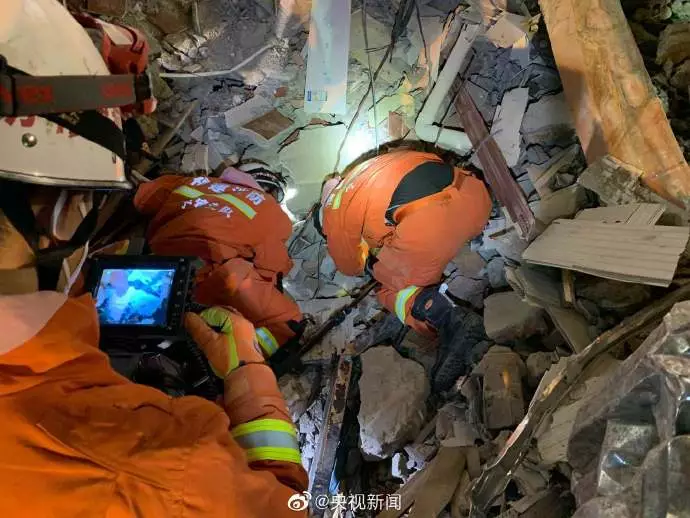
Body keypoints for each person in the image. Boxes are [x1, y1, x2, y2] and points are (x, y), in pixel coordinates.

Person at [0, 1, 306, 515]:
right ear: (67, 210)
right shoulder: (159, 466)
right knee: (271, 323)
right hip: (210, 301)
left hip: (180, 253)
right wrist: (249, 373)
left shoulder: (189, 185)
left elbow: (144, 197)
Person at [317, 149, 492, 357]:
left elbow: (349, 266)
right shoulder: (368, 169)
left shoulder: (333, 210)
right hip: (476, 197)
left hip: (434, 222)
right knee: (408, 240)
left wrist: (371, 266)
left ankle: (451, 321)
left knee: (389, 287)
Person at [134, 163, 304, 358]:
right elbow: (271, 267)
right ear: (269, 189)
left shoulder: (197, 182)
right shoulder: (272, 211)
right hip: (204, 277)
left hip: (156, 260)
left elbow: (143, 198)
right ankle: (238, 360)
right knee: (288, 322)